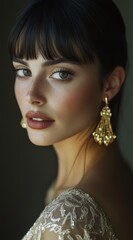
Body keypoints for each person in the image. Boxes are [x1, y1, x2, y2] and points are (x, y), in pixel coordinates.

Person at [8, 0, 133, 239]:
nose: (32, 96)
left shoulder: (68, 221)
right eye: (23, 71)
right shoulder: (115, 170)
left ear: (110, 83)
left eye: (60, 73)